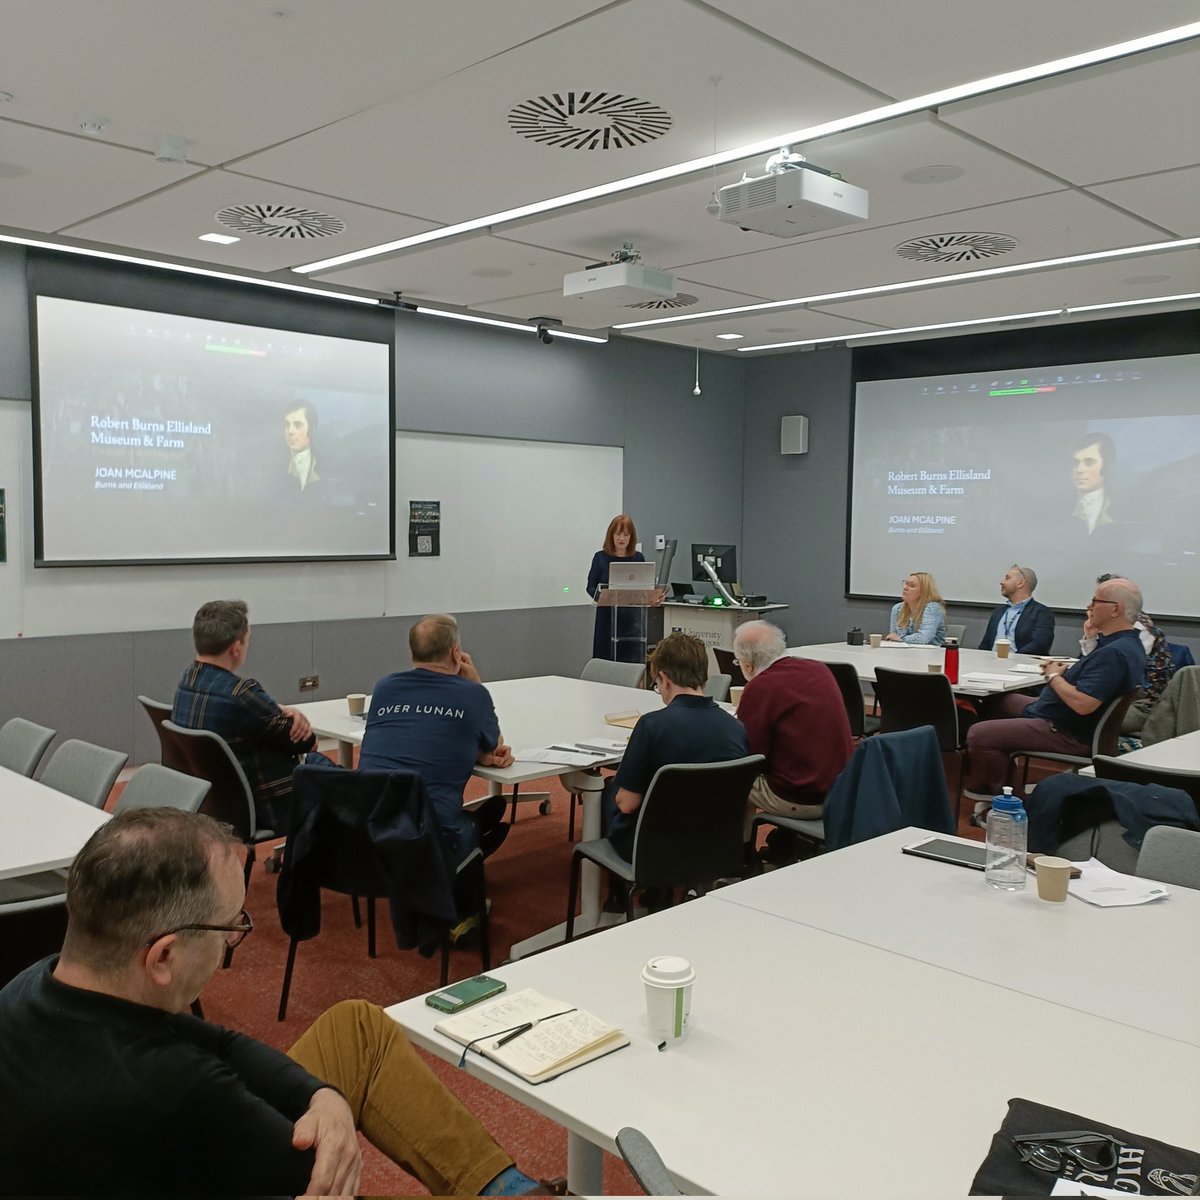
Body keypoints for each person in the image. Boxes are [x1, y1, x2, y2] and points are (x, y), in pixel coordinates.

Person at [0, 808, 553, 1197]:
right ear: (162, 957)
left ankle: (505, 1189)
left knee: (355, 1028)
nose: (235, 937)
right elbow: (326, 1180)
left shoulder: (35, 985)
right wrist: (327, 1118)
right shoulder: (173, 1085)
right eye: (229, 928)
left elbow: (221, 1041)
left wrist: (323, 1096)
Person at [964, 576, 1146, 808]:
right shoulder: (1124, 643)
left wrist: (1053, 676)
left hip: (1064, 730)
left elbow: (1083, 704)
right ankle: (994, 772)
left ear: (1115, 609)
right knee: (996, 701)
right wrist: (1089, 641)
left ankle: (1015, 805)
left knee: (980, 734)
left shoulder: (1115, 653)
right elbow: (1093, 678)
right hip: (1057, 715)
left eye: (1094, 601)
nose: (1089, 607)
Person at [359, 613, 512, 867]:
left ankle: (473, 825)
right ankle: (470, 843)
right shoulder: (471, 695)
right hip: (431, 836)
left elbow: (418, 735)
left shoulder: (384, 686)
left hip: (372, 827)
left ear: (413, 653)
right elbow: (494, 746)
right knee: (467, 829)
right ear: (456, 654)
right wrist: (474, 682)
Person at [173, 599, 320, 833]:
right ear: (236, 648)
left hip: (213, 803)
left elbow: (259, 715)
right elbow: (307, 743)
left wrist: (276, 708)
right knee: (342, 779)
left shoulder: (187, 681)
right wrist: (290, 713)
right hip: (268, 804)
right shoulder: (241, 693)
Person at [602, 632, 748, 862]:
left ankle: (618, 894)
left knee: (610, 793)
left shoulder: (651, 726)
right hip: (716, 843)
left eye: (656, 684)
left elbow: (627, 804)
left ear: (664, 679)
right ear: (704, 678)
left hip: (654, 848)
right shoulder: (736, 728)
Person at [731, 621, 853, 837]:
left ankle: (737, 857)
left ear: (748, 665)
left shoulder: (760, 688)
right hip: (841, 791)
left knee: (731, 783)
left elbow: (750, 757)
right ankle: (784, 842)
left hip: (799, 796)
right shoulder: (819, 669)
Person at [1080, 572, 1175, 734]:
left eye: (1098, 600)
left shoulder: (1139, 630)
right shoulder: (1109, 628)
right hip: (1109, 697)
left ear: (1117, 605)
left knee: (1072, 717)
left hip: (1142, 704)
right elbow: (1093, 669)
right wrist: (1090, 637)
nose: (1091, 606)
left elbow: (1110, 671)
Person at [586, 513, 646, 662]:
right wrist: (604, 597)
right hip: (607, 619)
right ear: (611, 535)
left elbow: (644, 587)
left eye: (626, 534)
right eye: (618, 534)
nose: (622, 538)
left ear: (631, 537)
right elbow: (590, 587)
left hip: (632, 621)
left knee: (630, 662)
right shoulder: (600, 557)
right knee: (605, 660)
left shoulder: (638, 558)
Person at [978, 564, 1056, 656]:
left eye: (1007, 578)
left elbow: (1039, 645)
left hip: (1021, 665)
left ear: (1020, 583)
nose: (1001, 582)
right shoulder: (998, 612)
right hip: (991, 663)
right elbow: (985, 644)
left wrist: (1013, 659)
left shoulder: (1041, 613)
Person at [1070, 431, 1115, 535]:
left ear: (1107, 467)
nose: (1079, 469)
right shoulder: (1058, 507)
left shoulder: (1121, 510)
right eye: (1076, 463)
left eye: (1089, 462)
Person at [886, 571, 946, 645]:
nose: (905, 587)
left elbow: (924, 638)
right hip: (903, 653)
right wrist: (898, 639)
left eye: (912, 585)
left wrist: (901, 639)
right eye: (906, 583)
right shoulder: (897, 608)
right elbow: (893, 637)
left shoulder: (932, 608)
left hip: (931, 654)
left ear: (924, 591)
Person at [284, 400, 320, 492]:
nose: (290, 431)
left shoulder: (325, 465)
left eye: (297, 425)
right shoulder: (273, 467)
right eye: (287, 425)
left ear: (312, 430)